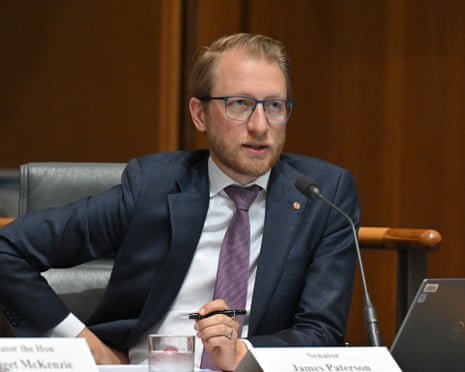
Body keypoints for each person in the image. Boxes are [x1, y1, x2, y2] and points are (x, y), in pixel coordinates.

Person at [0, 33, 359, 371]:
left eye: (275, 106)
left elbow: (322, 332)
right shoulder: (152, 186)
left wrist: (242, 354)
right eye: (239, 104)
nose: (260, 125)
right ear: (199, 114)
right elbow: (8, 250)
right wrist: (84, 347)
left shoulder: (322, 195)